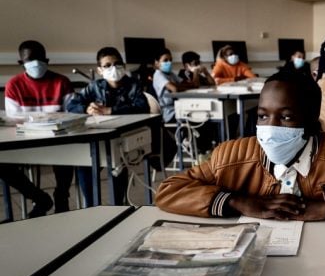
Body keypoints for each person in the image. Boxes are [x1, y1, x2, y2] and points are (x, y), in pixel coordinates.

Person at [155, 70, 325, 222]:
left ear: (310, 120)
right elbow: (169, 190)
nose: (270, 127)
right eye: (262, 115)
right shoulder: (231, 157)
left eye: (286, 117)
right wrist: (239, 202)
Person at [66, 47, 150, 206]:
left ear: (123, 66)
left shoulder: (133, 84)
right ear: (99, 70)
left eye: (117, 63)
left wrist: (110, 110)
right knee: (85, 166)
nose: (114, 68)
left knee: (117, 165)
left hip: (124, 139)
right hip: (99, 137)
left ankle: (118, 205)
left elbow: (142, 107)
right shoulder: (95, 87)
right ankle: (91, 206)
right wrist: (86, 109)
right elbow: (72, 105)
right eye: (107, 65)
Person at [4, 40, 74, 214]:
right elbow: (14, 120)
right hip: (25, 141)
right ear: (21, 63)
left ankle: (62, 196)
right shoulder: (14, 85)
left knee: (69, 152)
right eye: (30, 59)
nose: (36, 63)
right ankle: (39, 198)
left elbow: (73, 115)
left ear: (47, 60)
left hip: (58, 140)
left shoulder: (62, 82)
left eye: (40, 58)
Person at [152, 48, 197, 123]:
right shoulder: (158, 75)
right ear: (157, 63)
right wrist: (178, 86)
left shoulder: (171, 74)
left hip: (179, 107)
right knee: (197, 118)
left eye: (170, 60)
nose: (169, 62)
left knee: (201, 114)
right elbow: (174, 88)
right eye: (165, 60)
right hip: (169, 112)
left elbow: (189, 84)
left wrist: (178, 85)